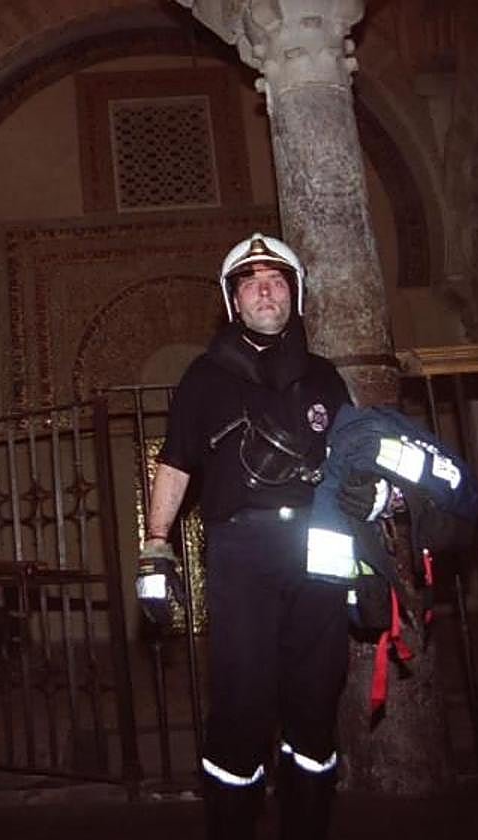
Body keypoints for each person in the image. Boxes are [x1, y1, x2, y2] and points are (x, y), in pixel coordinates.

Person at [136, 234, 352, 840]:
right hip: (241, 551)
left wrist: (370, 557)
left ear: (295, 295)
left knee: (315, 703)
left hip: (321, 549)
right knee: (241, 703)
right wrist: (156, 545)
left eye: (277, 280)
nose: (265, 289)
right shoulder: (204, 378)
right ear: (233, 300)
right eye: (251, 281)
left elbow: (352, 467)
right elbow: (175, 462)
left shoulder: (327, 378)